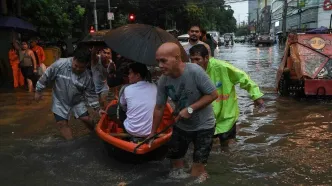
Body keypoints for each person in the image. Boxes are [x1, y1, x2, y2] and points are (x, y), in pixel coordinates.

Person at [147, 42, 218, 181]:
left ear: (177, 58)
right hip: (181, 125)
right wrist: (153, 132)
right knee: (175, 164)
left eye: (163, 61)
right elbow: (159, 107)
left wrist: (191, 108)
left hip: (204, 126)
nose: (160, 65)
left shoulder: (195, 71)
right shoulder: (163, 81)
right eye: (158, 61)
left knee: (197, 169)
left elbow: (213, 94)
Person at [189, 44, 265, 147]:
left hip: (226, 115)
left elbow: (244, 78)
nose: (194, 63)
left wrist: (257, 96)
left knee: (227, 146)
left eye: (197, 59)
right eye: (192, 60)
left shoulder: (222, 67)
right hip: (206, 117)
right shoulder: (190, 72)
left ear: (206, 58)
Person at [34, 47, 105, 140]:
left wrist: (98, 109)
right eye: (75, 66)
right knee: (61, 123)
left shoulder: (87, 76)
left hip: (77, 100)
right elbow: (46, 76)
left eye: (81, 67)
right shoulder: (60, 64)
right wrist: (38, 90)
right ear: (73, 59)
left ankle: (96, 133)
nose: (78, 69)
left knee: (86, 119)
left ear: (86, 64)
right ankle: (71, 143)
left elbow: (91, 95)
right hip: (60, 100)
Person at [107, 62, 156, 137]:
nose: (128, 76)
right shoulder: (154, 87)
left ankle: (124, 128)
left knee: (111, 110)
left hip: (132, 130)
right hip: (150, 131)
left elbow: (122, 106)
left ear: (138, 75)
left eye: (130, 73)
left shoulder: (127, 89)